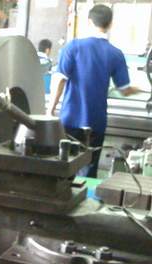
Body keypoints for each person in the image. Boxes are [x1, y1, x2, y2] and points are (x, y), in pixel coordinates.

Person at [48, 5, 141, 178]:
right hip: (96, 123)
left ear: (89, 22)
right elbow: (125, 90)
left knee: (64, 166)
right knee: (89, 170)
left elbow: (60, 80)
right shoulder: (115, 54)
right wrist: (139, 89)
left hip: (70, 120)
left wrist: (50, 110)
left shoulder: (73, 47)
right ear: (110, 24)